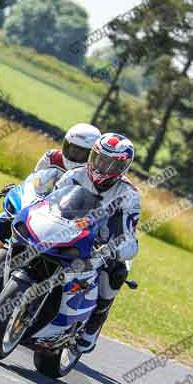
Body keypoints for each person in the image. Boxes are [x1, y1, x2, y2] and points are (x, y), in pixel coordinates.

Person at [53, 133, 140, 354]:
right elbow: (48, 203)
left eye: (110, 163)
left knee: (117, 271)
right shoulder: (74, 175)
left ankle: (94, 323)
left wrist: (115, 249)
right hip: (64, 232)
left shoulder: (129, 194)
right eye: (99, 158)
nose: (102, 166)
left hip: (101, 245)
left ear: (123, 167)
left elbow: (130, 236)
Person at [0, 123, 102, 247]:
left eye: (80, 151)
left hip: (72, 216)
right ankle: (2, 247)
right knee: (5, 218)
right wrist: (20, 189)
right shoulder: (52, 157)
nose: (74, 153)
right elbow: (36, 180)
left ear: (92, 155)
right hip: (45, 205)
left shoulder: (93, 174)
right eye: (71, 148)